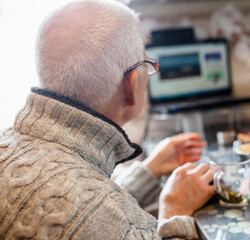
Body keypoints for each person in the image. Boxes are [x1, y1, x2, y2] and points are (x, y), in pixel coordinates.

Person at [0, 0, 215, 239]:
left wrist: (149, 169)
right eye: (147, 63)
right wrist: (176, 210)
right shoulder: (95, 213)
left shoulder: (8, 144)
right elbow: (94, 213)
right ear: (131, 85)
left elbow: (84, 199)